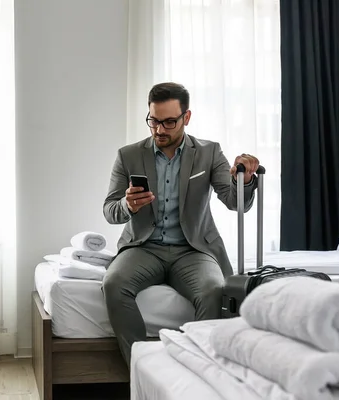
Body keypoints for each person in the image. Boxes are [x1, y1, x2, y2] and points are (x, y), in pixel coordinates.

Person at [102, 82, 260, 367]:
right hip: (143, 248)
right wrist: (128, 205)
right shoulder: (128, 155)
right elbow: (110, 210)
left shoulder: (209, 153)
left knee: (214, 290)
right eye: (153, 121)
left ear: (186, 118)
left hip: (193, 250)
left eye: (169, 122)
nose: (159, 129)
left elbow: (236, 203)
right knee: (113, 284)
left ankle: (200, 371)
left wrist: (245, 180)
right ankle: (141, 368)